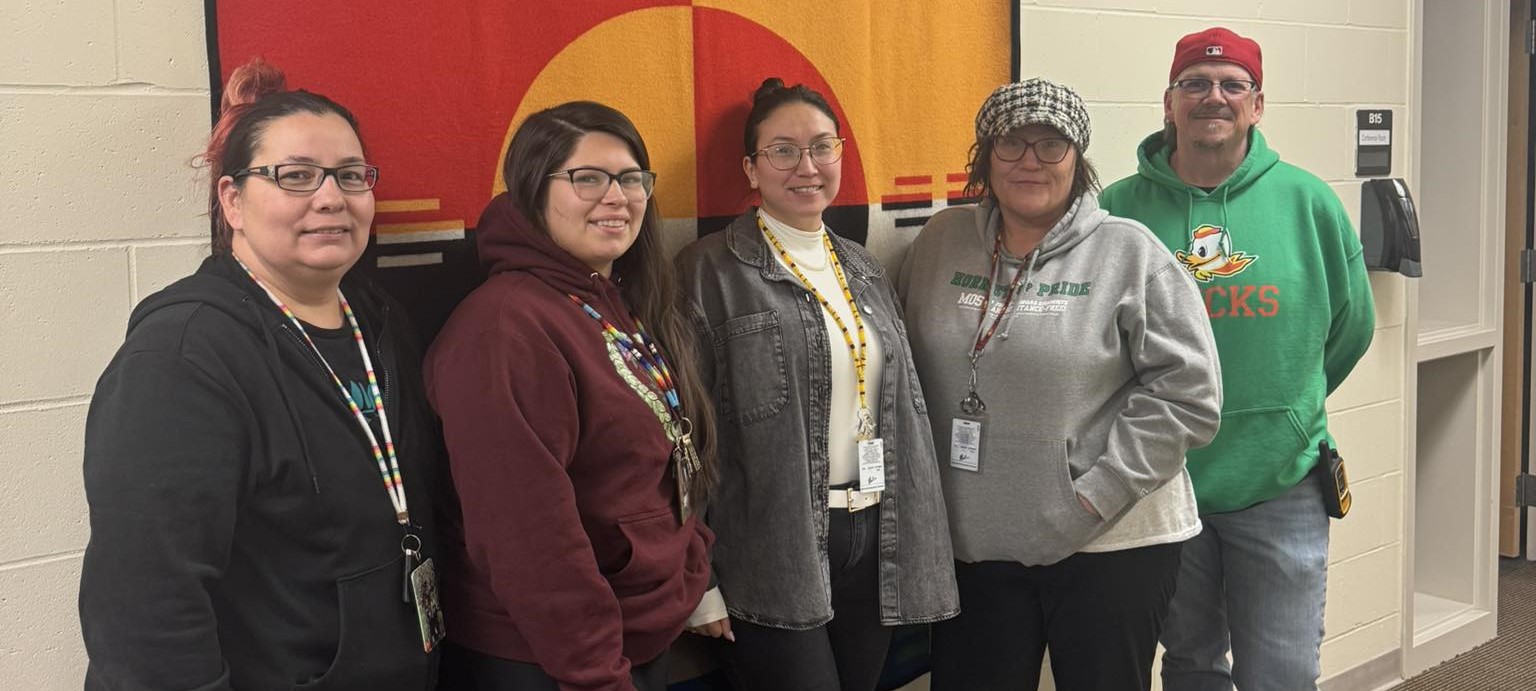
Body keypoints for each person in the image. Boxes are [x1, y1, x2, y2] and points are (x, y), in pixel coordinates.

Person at [79, 57, 440, 690]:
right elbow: (144, 612)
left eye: (350, 176)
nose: (331, 197)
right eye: (295, 176)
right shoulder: (182, 358)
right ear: (233, 200)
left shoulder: (379, 323)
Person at [896, 77, 1223, 691]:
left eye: (1051, 145)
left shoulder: (1129, 253)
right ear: (984, 158)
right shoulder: (941, 242)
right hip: (975, 543)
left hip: (1110, 542)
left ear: (1079, 159)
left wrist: (1094, 494)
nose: (1030, 162)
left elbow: (1191, 395)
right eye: (1011, 144)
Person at [1098, 27, 1376, 691]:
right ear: (1168, 103)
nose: (1212, 96)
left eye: (1231, 85)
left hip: (1280, 481)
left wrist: (1281, 407)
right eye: (1194, 82)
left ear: (1257, 104)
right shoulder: (1116, 212)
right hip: (1164, 483)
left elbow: (1351, 327)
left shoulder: (1309, 203)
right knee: (1190, 665)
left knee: (1279, 672)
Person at [674, 78, 959, 691]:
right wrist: (698, 577)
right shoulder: (708, 272)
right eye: (782, 150)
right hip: (773, 545)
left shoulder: (863, 267)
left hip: (874, 533)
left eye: (821, 147)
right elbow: (683, 437)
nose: (806, 166)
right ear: (751, 169)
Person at [426, 101, 718, 691]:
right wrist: (596, 676)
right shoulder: (505, 330)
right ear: (533, 191)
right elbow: (530, 542)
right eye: (588, 178)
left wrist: (693, 572)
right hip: (554, 662)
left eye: (631, 177)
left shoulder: (616, 301)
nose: (617, 196)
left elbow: (663, 464)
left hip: (635, 634)